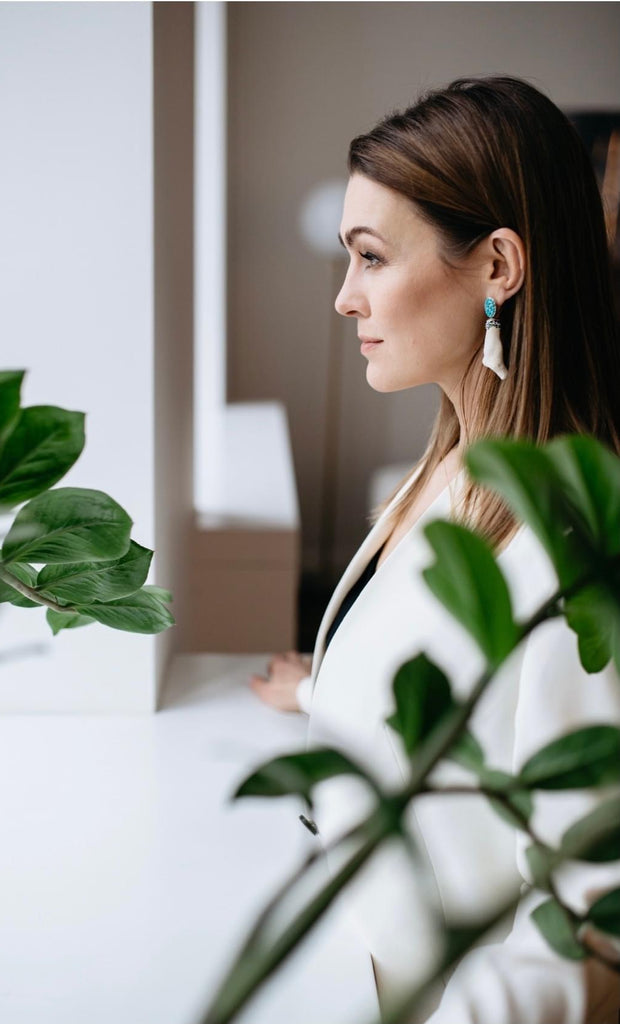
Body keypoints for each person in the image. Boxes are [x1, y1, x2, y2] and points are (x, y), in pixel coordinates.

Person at [248, 76, 620, 1023]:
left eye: (371, 257)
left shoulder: (569, 546)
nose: (343, 298)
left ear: (497, 265)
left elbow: (597, 917)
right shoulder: (448, 470)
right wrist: (330, 690)